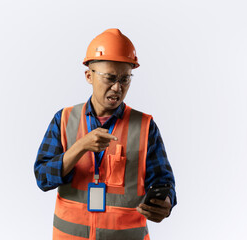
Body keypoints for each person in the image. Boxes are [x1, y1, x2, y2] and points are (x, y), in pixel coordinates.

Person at [34, 28, 177, 240]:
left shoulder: (145, 126)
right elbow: (43, 178)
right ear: (88, 76)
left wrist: (165, 201)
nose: (118, 87)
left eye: (125, 79)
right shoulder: (64, 119)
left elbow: (163, 181)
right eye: (110, 78)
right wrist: (79, 147)